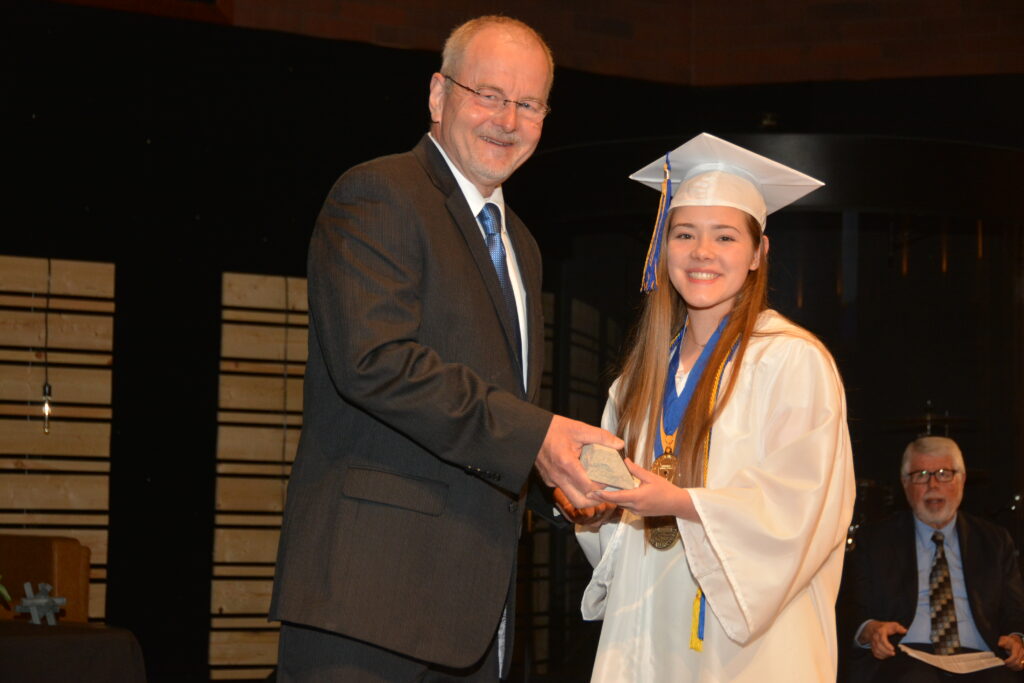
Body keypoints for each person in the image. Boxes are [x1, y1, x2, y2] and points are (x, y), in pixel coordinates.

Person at [269, 15, 622, 682]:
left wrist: (555, 479)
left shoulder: (522, 245)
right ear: (438, 96)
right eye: (488, 94)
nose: (507, 120)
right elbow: (376, 362)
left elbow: (492, 411)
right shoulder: (379, 193)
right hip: (369, 606)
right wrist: (538, 436)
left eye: (528, 103)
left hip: (472, 617)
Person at [572, 133, 856, 681]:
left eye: (724, 236)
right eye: (684, 234)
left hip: (746, 643)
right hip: (647, 627)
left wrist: (682, 503)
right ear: (663, 248)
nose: (702, 252)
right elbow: (619, 524)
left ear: (757, 253)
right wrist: (595, 508)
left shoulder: (792, 362)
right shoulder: (637, 380)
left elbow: (804, 510)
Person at [847, 436, 1024, 682]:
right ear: (905, 484)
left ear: (961, 480)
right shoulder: (875, 540)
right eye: (921, 475)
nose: (933, 484)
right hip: (906, 656)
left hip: (981, 657)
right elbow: (852, 610)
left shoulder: (994, 541)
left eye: (943, 473)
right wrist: (869, 630)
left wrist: (1018, 638)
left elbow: (1015, 611)